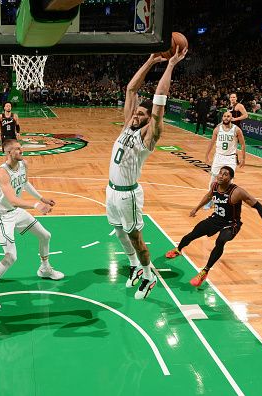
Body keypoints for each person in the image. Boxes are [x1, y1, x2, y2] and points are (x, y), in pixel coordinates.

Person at [107, 48, 187, 300]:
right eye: (135, 111)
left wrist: (171, 64)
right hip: (111, 190)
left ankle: (148, 274)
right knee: (119, 231)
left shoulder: (148, 137)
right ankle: (134, 266)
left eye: (141, 114)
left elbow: (159, 99)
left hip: (128, 195)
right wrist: (151, 60)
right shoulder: (126, 126)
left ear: (147, 120)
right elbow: (131, 89)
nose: (135, 114)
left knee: (136, 237)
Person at [0, 139, 63, 310]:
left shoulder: (24, 164)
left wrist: (42, 198)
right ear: (8, 153)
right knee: (11, 257)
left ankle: (45, 268)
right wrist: (36, 206)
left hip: (16, 213)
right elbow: (13, 200)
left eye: (20, 147)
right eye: (17, 149)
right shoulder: (2, 173)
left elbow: (25, 183)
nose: (21, 150)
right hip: (3, 216)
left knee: (45, 235)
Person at [165, 166, 262, 287]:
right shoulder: (215, 185)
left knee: (221, 240)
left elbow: (259, 206)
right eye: (220, 173)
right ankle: (178, 249)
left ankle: (205, 271)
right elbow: (208, 196)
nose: (221, 176)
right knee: (192, 234)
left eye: (225, 174)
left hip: (231, 224)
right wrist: (196, 208)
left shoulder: (237, 192)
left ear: (231, 178)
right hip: (215, 219)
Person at [203, 111, 246, 209]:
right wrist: (206, 155)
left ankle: (227, 201)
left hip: (230, 158)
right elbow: (211, 143)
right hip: (219, 156)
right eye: (225, 116)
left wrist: (243, 158)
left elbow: (243, 144)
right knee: (213, 180)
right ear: (222, 117)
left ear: (231, 118)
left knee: (229, 180)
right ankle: (210, 200)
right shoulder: (217, 129)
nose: (226, 118)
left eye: (228, 116)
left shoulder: (237, 130)